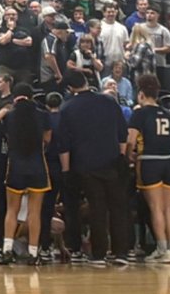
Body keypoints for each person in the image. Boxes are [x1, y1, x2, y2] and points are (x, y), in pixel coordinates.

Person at [55, 72, 132, 267]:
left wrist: (66, 172)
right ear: (87, 82)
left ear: (70, 88)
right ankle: (121, 252)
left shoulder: (67, 108)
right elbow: (123, 134)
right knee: (118, 208)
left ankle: (99, 254)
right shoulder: (109, 102)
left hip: (86, 165)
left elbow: (64, 145)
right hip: (113, 162)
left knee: (97, 208)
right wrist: (122, 156)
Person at [127, 72, 170, 264]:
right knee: (168, 208)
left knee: (155, 208)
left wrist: (129, 156)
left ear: (141, 93)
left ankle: (161, 249)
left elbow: (131, 141)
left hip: (150, 161)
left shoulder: (139, 114)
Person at [0, 85, 51, 266]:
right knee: (35, 212)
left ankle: (6, 250)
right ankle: (33, 253)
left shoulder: (10, 115)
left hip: (16, 165)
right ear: (31, 96)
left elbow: (1, 134)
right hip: (37, 165)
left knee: (12, 210)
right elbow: (48, 139)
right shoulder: (42, 114)